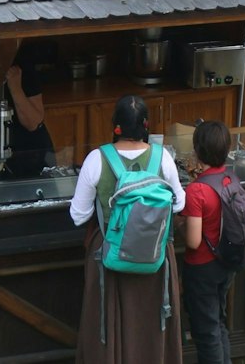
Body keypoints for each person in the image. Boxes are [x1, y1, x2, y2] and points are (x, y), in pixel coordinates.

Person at [69, 94, 185, 363]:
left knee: (108, 327)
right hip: (155, 254)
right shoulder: (163, 158)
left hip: (109, 254)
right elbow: (179, 203)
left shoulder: (96, 159)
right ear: (145, 125)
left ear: (115, 126)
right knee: (151, 325)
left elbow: (78, 215)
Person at [178, 119, 236, 364]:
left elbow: (193, 241)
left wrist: (178, 221)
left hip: (202, 267)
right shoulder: (230, 178)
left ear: (198, 150)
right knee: (218, 323)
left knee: (206, 331)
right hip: (226, 263)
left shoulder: (197, 191)